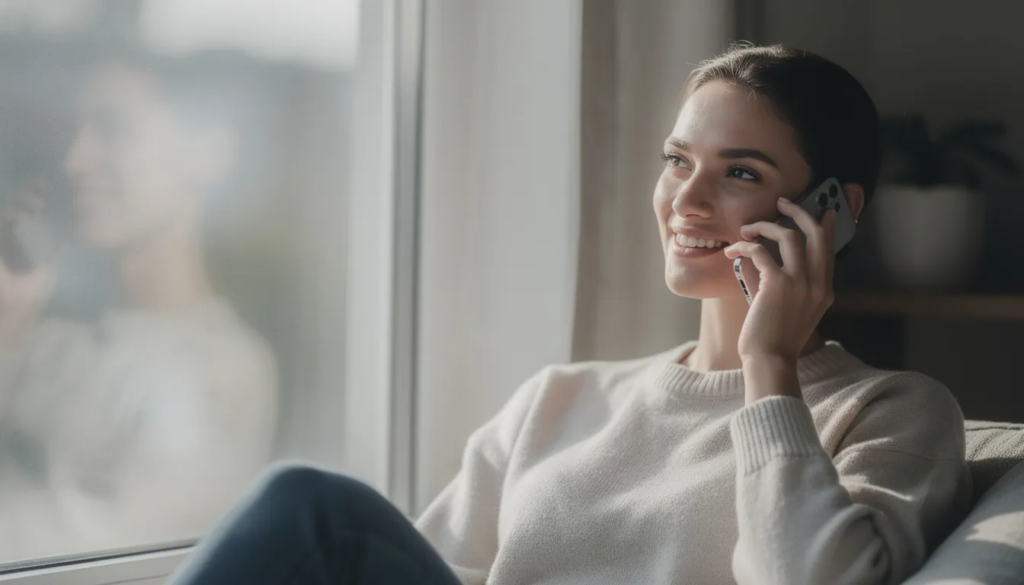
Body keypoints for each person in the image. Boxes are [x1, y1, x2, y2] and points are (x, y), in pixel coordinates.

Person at [170, 44, 973, 585]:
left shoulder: (895, 410)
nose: (687, 199)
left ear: (832, 210)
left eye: (740, 172)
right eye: (677, 161)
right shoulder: (558, 398)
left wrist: (769, 366)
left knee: (314, 511)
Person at [0, 50, 278, 562]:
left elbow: (89, 561)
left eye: (113, 130)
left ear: (209, 154)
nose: (73, 161)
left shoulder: (226, 373)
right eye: (71, 134)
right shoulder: (43, 335)